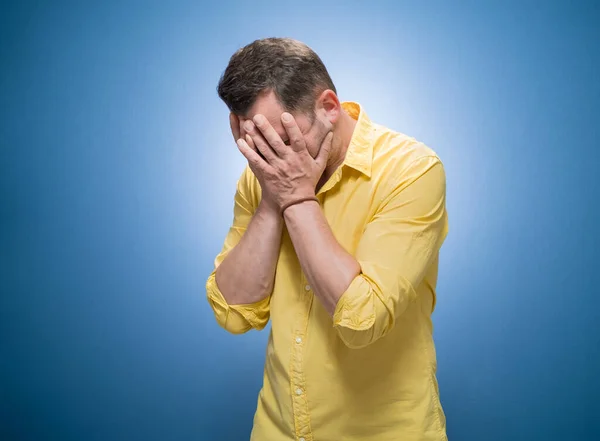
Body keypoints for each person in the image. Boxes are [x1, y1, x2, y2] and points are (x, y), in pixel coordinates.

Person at [206, 37, 449, 441]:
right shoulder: (264, 176)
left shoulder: (413, 171)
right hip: (278, 429)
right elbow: (233, 311)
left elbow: (362, 319)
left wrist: (297, 198)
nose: (274, 159)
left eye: (283, 138)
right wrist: (271, 200)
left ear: (329, 108)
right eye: (256, 145)